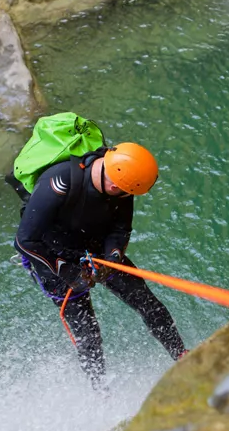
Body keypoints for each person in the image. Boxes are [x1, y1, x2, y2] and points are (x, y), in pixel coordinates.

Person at [10, 141, 188, 391]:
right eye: (127, 193)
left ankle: (182, 356)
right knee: (88, 333)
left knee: (148, 303)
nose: (129, 198)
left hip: (95, 250)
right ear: (115, 184)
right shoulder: (59, 183)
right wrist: (68, 272)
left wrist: (112, 258)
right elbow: (24, 241)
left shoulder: (122, 181)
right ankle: (100, 389)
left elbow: (120, 229)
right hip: (52, 257)